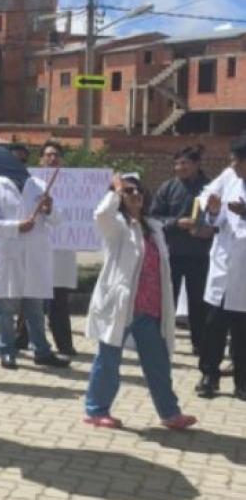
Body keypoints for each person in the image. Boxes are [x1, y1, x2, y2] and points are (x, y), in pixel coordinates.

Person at [84, 173, 197, 430]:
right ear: (120, 198)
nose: (136, 195)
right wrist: (114, 191)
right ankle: (96, 410)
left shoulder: (153, 228)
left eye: (138, 191)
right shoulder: (117, 227)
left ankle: (170, 413)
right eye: (129, 192)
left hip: (150, 308)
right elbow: (101, 215)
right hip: (122, 307)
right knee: (108, 360)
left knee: (158, 363)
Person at [0, 150, 70, 370]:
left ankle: (42, 351)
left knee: (36, 310)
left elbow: (58, 220)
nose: (19, 163)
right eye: (14, 159)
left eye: (22, 160)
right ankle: (7, 351)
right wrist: (16, 227)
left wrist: (49, 209)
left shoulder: (38, 185)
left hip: (35, 256)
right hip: (9, 256)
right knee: (6, 310)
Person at [150, 145, 214, 356]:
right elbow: (154, 218)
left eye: (184, 163)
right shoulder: (167, 188)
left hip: (201, 254)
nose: (180, 167)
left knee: (199, 302)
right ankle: (163, 341)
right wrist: (177, 223)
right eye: (177, 163)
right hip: (172, 254)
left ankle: (201, 344)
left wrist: (210, 229)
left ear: (196, 164)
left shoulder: (210, 189)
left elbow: (221, 219)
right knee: (168, 300)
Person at [197, 136, 246, 399]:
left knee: (243, 331)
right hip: (224, 265)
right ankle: (209, 375)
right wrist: (213, 209)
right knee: (214, 325)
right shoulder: (229, 176)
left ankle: (242, 382)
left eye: (237, 161)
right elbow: (207, 196)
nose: (233, 165)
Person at [39, 141, 78, 355]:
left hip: (61, 252)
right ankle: (23, 340)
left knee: (58, 301)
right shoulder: (31, 182)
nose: (52, 159)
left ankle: (64, 344)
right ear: (41, 159)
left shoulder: (73, 185)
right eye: (48, 155)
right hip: (36, 250)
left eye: (56, 155)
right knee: (31, 300)